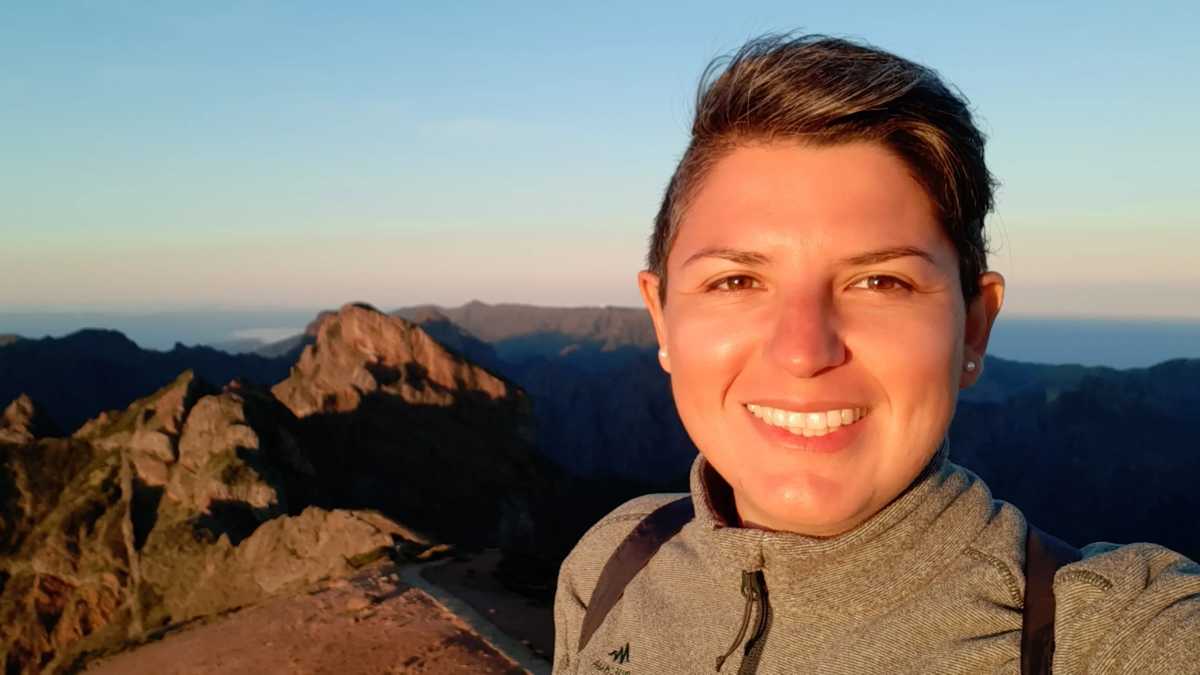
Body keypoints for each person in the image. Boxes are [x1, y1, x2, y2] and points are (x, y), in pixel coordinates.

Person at [552, 33, 1200, 674]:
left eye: (880, 282)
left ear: (974, 328)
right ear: (662, 317)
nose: (804, 351)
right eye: (737, 281)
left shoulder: (1108, 633)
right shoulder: (613, 562)